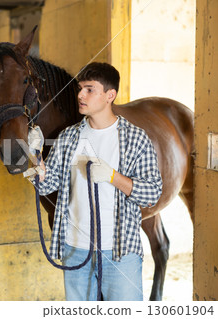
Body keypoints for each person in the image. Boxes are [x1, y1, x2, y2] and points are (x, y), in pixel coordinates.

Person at [35, 62, 162, 301]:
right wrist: (36, 165)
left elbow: (152, 194)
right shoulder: (68, 136)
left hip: (120, 251)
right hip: (75, 249)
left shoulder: (135, 138)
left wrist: (114, 177)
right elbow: (48, 184)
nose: (80, 95)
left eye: (89, 89)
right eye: (80, 89)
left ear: (109, 95)